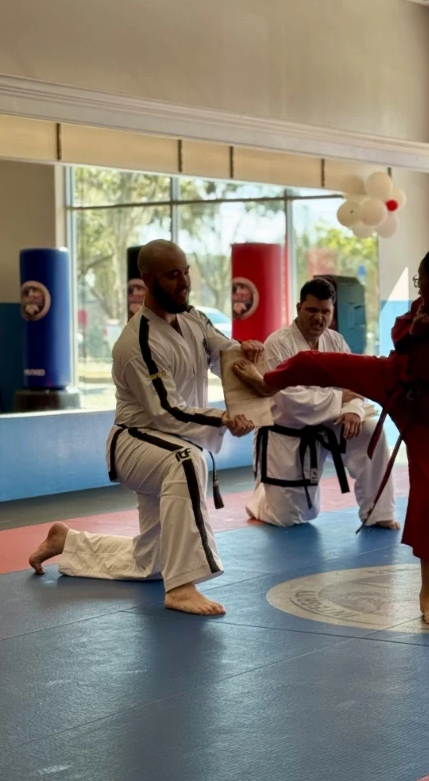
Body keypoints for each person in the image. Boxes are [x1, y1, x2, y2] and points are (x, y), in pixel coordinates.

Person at [233, 246, 429, 625]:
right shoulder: (423, 307)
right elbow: (399, 338)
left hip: (426, 415)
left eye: (422, 280)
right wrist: (412, 332)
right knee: (312, 362)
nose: (419, 287)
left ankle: (427, 595)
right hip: (391, 378)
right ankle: (267, 384)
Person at [29, 239, 263, 617]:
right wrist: (222, 418)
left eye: (186, 271)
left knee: (153, 560)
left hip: (170, 441)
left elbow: (226, 357)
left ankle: (68, 542)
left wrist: (246, 352)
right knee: (188, 462)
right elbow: (165, 411)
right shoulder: (138, 341)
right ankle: (182, 587)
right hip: (135, 442)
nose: (184, 282)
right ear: (148, 280)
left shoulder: (195, 319)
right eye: (173, 276)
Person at [247, 277, 398, 530]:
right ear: (298, 308)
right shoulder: (278, 343)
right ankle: (260, 499)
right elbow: (289, 400)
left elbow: (355, 385)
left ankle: (378, 512)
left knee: (372, 433)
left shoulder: (336, 341)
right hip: (288, 433)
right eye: (312, 310)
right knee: (292, 517)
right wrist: (341, 399)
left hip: (329, 422)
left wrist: (352, 410)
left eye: (325, 312)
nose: (319, 318)